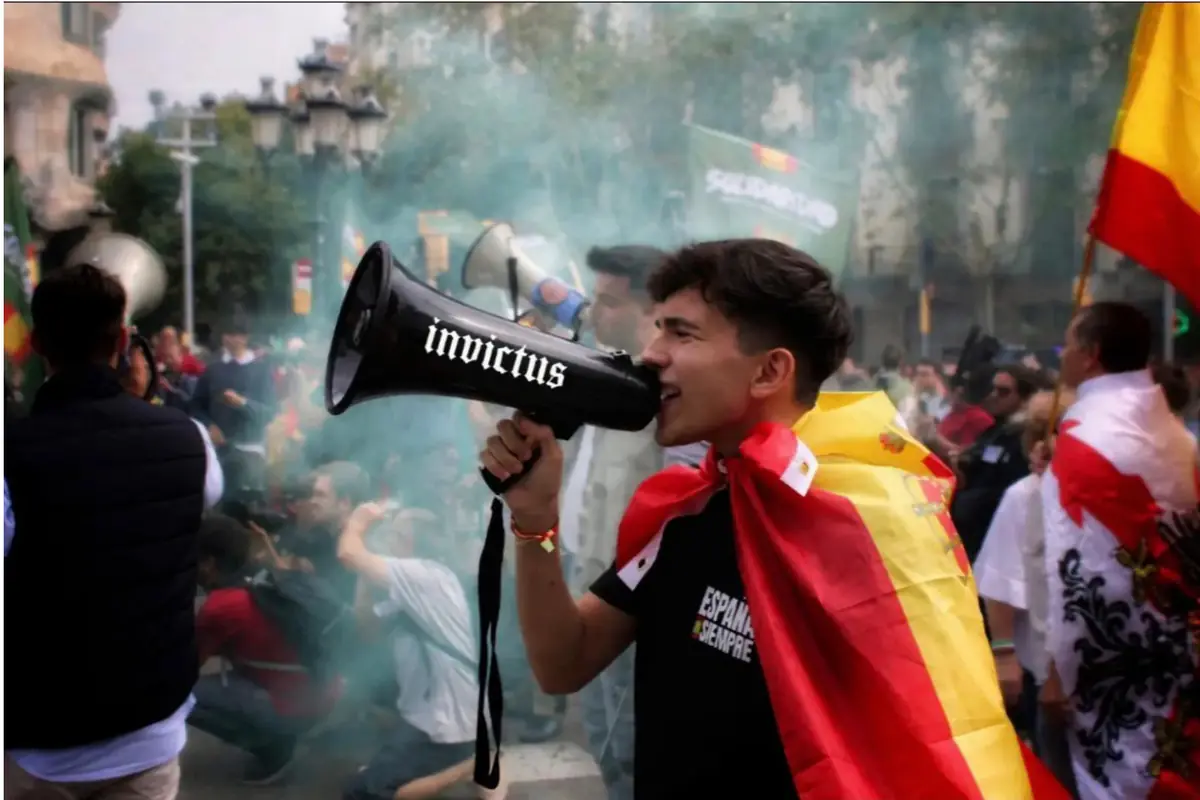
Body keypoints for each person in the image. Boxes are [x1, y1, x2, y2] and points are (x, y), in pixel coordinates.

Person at [479, 239, 1047, 798]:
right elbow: (564, 661)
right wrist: (535, 522)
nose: (653, 353)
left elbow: (931, 748)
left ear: (769, 371)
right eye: (658, 329)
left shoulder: (871, 526)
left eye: (681, 332)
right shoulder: (687, 505)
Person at [5, 264, 223, 800]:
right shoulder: (189, 437)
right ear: (124, 341)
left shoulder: (10, 454)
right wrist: (138, 401)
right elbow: (187, 500)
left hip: (37, 745)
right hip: (150, 732)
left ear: (34, 345)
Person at [1042, 302, 1200, 798]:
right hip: (1180, 654)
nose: (1062, 355)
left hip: (1109, 676)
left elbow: (1079, 572)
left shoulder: (1085, 442)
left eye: (1068, 344)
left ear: (1090, 355)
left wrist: (1057, 671)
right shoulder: (1177, 437)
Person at [336, 501, 495, 800]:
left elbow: (347, 553)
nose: (387, 538)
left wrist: (357, 523)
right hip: (430, 715)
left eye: (394, 534)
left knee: (361, 793)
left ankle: (470, 767)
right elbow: (367, 629)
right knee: (365, 690)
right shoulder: (413, 585)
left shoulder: (425, 576)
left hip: (447, 723)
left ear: (409, 542)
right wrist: (366, 573)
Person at [191, 513, 342, 785]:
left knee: (180, 698)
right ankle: (279, 730)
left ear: (209, 564)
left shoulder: (223, 606)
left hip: (296, 704)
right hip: (325, 688)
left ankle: (275, 751)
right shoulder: (269, 573)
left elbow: (188, 667)